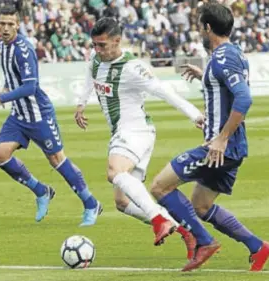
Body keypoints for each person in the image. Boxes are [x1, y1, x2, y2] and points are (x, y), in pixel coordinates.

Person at [150, 2, 269, 272]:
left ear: (208, 28)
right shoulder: (234, 54)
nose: (198, 32)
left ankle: (204, 242)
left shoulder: (222, 58)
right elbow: (228, 93)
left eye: (199, 27)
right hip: (231, 148)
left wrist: (221, 137)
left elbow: (244, 97)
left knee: (160, 187)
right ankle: (258, 247)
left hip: (220, 149)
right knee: (201, 207)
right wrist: (204, 76)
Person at [74, 17, 203, 257]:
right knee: (122, 203)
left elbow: (165, 92)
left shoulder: (133, 68)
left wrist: (195, 115)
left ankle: (158, 219)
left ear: (117, 41)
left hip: (135, 131)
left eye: (103, 45)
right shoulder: (95, 60)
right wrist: (81, 104)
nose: (98, 50)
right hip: (124, 133)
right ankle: (186, 230)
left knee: (114, 172)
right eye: (95, 45)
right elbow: (88, 78)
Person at [0, 6, 102, 226]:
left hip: (38, 115)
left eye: (10, 24)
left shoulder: (23, 49)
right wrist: (3, 92)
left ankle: (91, 204)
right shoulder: (2, 45)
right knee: (1, 154)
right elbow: (12, 79)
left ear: (18, 25)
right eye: (2, 23)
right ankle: (41, 190)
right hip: (19, 114)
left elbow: (30, 87)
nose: (6, 28)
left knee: (57, 160)